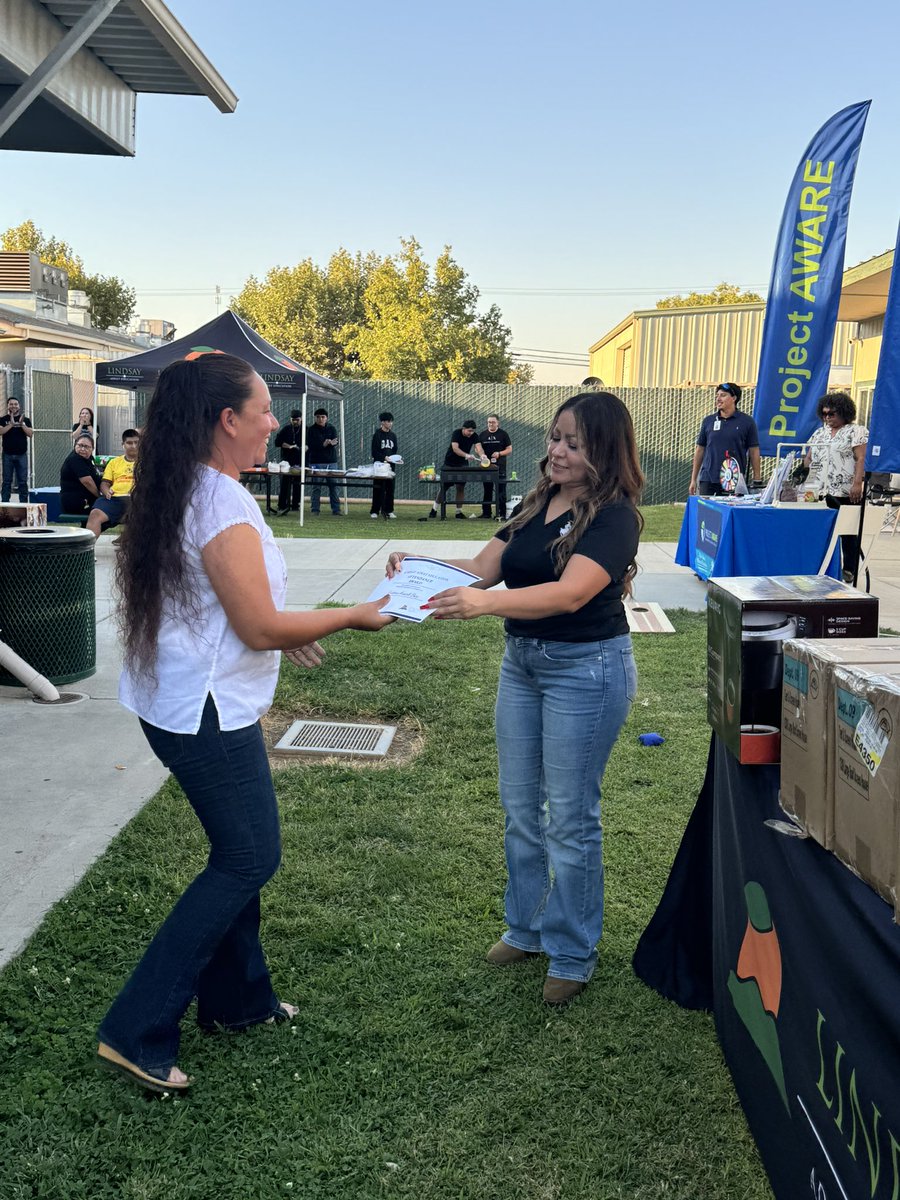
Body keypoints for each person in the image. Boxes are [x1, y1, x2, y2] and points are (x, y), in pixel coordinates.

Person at [97, 353, 391, 1093]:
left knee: (239, 850)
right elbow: (256, 625)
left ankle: (237, 1002)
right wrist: (354, 615)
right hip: (203, 711)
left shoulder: (191, 486)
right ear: (228, 420)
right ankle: (136, 1029)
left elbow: (233, 611)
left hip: (182, 700)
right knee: (247, 858)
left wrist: (294, 628)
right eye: (263, 410)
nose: (274, 423)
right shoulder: (220, 502)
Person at [389, 391, 641, 1005]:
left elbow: (570, 594)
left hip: (585, 670)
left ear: (603, 451)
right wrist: (418, 563)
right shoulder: (537, 504)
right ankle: (525, 928)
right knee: (521, 810)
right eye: (555, 437)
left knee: (571, 818)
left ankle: (572, 951)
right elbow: (481, 568)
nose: (556, 451)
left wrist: (486, 603)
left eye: (573, 444)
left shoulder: (615, 516)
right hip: (522, 666)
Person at [804, 391, 869, 581]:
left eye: (831, 414)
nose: (827, 418)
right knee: (824, 532)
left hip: (845, 490)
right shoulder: (819, 432)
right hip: (820, 491)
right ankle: (826, 569)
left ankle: (849, 570)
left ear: (844, 412)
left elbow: (861, 458)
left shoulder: (856, 431)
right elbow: (809, 457)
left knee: (847, 533)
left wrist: (857, 483)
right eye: (824, 414)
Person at [688, 382, 761, 496]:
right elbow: (700, 450)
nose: (718, 399)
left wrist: (757, 479)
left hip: (733, 480)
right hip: (708, 480)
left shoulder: (747, 422)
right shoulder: (708, 421)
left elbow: (754, 451)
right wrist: (693, 479)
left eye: (723, 395)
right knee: (707, 513)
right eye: (717, 396)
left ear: (734, 398)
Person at [418, 420, 485, 521]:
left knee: (460, 487)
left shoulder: (474, 436)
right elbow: (455, 448)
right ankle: (434, 509)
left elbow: (479, 448)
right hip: (450, 463)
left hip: (463, 464)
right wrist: (466, 455)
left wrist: (483, 456)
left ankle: (458, 512)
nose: (471, 433)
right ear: (463, 428)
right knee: (444, 487)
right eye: (469, 431)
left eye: (472, 431)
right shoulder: (456, 433)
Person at [86, 428, 139, 538]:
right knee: (95, 514)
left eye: (136, 442)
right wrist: (106, 491)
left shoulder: (147, 462)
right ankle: (87, 552)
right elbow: (105, 483)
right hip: (115, 499)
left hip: (138, 500)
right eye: (129, 443)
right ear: (123, 444)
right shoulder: (114, 462)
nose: (133, 446)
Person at [306, 407, 341, 516]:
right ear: (315, 418)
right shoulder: (311, 430)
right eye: (318, 417)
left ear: (326, 418)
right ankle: (315, 509)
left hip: (331, 461)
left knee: (333, 485)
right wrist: (323, 444)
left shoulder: (331, 428)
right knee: (316, 486)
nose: (320, 419)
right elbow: (310, 445)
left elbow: (336, 440)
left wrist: (333, 443)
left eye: (323, 417)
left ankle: (336, 509)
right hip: (316, 461)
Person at [478, 413, 512, 519]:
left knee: (501, 491)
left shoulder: (503, 434)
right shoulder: (482, 435)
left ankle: (502, 513)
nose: (490, 424)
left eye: (493, 422)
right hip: (486, 468)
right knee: (487, 490)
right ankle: (486, 513)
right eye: (489, 422)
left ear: (498, 423)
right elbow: (477, 448)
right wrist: (482, 455)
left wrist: (499, 453)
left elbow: (509, 449)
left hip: (500, 468)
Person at [1, 397, 34, 503]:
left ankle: (24, 505)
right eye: (11, 404)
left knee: (23, 481)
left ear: (19, 406)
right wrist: (11, 424)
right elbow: (1, 431)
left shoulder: (25, 419)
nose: (13, 406)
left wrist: (21, 424)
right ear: (8, 406)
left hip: (21, 455)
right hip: (7, 455)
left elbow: (30, 434)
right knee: (7, 481)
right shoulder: (3, 419)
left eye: (16, 404)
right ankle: (5, 505)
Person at [60, 434, 102, 516]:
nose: (83, 449)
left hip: (85, 499)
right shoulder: (75, 459)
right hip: (76, 502)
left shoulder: (88, 459)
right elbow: (87, 482)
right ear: (75, 445)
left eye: (86, 447)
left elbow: (94, 475)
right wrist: (99, 497)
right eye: (80, 445)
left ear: (92, 449)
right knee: (105, 511)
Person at [274, 408, 303, 515]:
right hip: (286, 460)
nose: (295, 422)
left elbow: (309, 443)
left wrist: (303, 447)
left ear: (301, 419)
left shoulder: (305, 429)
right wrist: (288, 446)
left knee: (297, 483)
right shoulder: (286, 429)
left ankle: (296, 505)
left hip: (299, 460)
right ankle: (282, 504)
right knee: (284, 484)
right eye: (293, 420)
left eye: (297, 420)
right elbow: (277, 442)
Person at [370, 411, 398, 519]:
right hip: (379, 466)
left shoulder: (393, 436)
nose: (390, 423)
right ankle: (375, 511)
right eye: (388, 421)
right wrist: (383, 458)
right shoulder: (377, 435)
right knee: (378, 488)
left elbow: (395, 450)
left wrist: (395, 459)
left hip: (390, 466)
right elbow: (374, 452)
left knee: (390, 489)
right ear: (382, 422)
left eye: (391, 421)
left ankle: (389, 510)